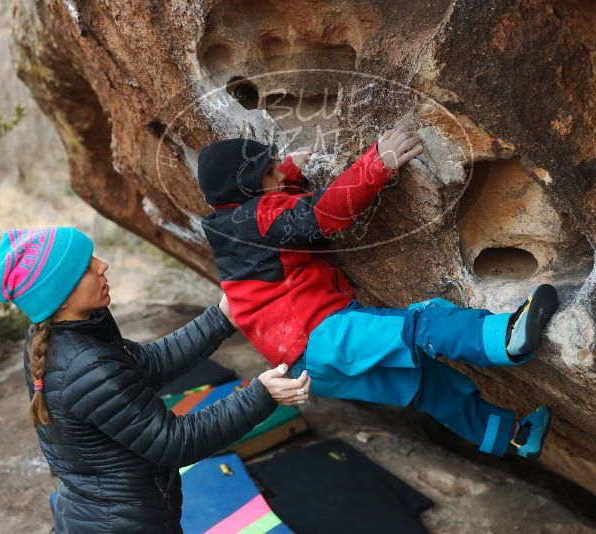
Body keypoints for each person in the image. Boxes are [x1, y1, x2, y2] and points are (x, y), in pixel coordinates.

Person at [197, 129, 557, 461]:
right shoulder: (256, 216)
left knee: (427, 385)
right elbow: (320, 216)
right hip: (320, 336)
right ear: (246, 189)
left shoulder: (225, 225)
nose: (277, 174)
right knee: (421, 325)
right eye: (268, 173)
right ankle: (504, 338)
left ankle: (514, 435)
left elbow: (275, 219)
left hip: (303, 368)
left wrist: (287, 174)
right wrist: (375, 165)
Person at [0, 226, 310, 533]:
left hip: (98, 511)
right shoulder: (84, 365)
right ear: (62, 296)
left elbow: (144, 365)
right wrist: (260, 395)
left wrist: (220, 319)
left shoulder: (57, 332)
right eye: (86, 267)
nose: (102, 265)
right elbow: (175, 441)